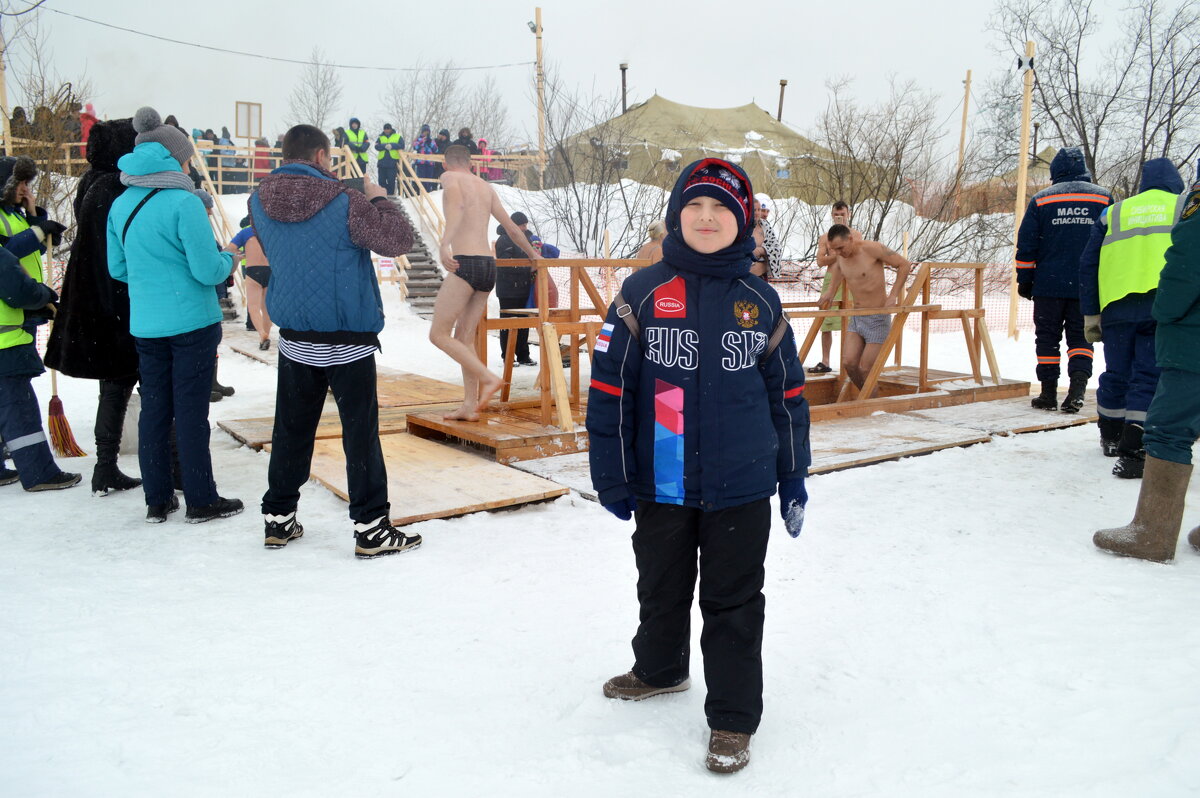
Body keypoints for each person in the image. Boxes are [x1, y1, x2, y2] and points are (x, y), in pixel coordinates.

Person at [587, 158, 810, 775]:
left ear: (741, 222)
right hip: (661, 477)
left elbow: (788, 397)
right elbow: (610, 389)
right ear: (675, 216)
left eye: (720, 209)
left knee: (734, 602)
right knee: (659, 584)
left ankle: (733, 719)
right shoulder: (641, 294)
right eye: (695, 207)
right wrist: (610, 469)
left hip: (741, 485)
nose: (706, 218)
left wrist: (793, 475)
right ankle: (660, 669)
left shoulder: (761, 301)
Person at [250, 124, 420, 558]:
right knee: (358, 435)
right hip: (348, 339)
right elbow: (399, 240)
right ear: (323, 157)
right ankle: (371, 529)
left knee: (290, 430)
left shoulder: (258, 201)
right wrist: (378, 196)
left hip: (296, 339)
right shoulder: (346, 201)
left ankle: (278, 519)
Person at [107, 106, 242, 524]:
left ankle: (158, 499)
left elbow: (118, 269)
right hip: (192, 325)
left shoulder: (121, 205)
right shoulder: (183, 203)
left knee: (155, 412)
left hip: (146, 325)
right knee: (190, 412)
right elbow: (207, 271)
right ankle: (201, 498)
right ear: (174, 157)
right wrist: (229, 258)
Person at [1093, 164, 1200, 563]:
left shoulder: (1190, 208)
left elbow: (1184, 270)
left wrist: (1164, 310)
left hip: (1186, 335)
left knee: (1170, 427)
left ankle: (1151, 533)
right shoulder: (1175, 204)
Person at [44, 118, 145, 496]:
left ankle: (105, 468)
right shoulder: (117, 187)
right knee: (142, 385)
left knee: (113, 387)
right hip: (118, 298)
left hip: (95, 298)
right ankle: (166, 466)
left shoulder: (90, 183)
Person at [1079, 157, 1186, 478]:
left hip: (1116, 306)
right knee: (1149, 375)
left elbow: (1088, 264)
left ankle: (1110, 434)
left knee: (1117, 372)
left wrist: (1090, 313)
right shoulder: (1184, 207)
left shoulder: (1113, 212)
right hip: (1164, 303)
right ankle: (1135, 446)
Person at [432, 144, 540, 421]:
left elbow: (456, 208)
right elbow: (512, 228)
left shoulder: (450, 178)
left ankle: (488, 378)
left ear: (446, 164)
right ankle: (470, 405)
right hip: (487, 267)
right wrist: (533, 254)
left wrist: (445, 245)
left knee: (438, 334)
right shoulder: (485, 186)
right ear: (471, 163)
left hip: (465, 262)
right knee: (464, 338)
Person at [0, 156, 80, 492]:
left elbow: (35, 244)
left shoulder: (13, 213)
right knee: (16, 402)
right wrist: (36, 232)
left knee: (6, 397)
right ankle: (38, 471)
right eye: (20, 183)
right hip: (12, 311)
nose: (25, 189)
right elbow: (7, 256)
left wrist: (34, 216)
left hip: (23, 309)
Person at [1015, 147, 1113, 411]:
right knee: (1080, 339)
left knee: (1047, 339)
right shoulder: (1104, 199)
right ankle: (1077, 391)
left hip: (1048, 285)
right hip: (1086, 286)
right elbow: (1112, 244)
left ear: (1055, 171)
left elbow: (1027, 244)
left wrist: (1024, 279)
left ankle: (1048, 394)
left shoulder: (1042, 199)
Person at [817, 227, 911, 392]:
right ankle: (867, 398)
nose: (838, 252)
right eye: (835, 249)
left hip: (877, 317)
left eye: (841, 248)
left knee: (867, 368)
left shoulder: (872, 249)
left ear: (850, 239)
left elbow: (904, 265)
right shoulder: (841, 256)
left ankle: (870, 403)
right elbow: (839, 268)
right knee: (849, 363)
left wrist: (893, 295)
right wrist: (831, 291)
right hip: (857, 316)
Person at [810, 201, 858, 374]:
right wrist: (838, 253)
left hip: (849, 280)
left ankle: (850, 360)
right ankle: (825, 360)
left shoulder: (855, 235)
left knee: (852, 321)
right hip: (831, 279)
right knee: (826, 320)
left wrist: (840, 252)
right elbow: (820, 260)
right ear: (832, 215)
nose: (839, 217)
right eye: (836, 215)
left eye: (842, 214)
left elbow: (855, 256)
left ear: (848, 214)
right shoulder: (825, 237)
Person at [495, 211, 539, 367]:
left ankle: (523, 355)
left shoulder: (527, 240)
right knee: (507, 324)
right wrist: (528, 269)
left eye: (526, 225)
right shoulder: (504, 240)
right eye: (522, 225)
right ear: (514, 225)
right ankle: (507, 356)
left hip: (523, 288)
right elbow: (505, 264)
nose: (525, 228)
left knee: (523, 323)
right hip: (508, 289)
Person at [227, 222, 273, 350]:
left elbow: (230, 248)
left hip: (253, 271)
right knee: (266, 308)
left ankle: (262, 335)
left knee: (253, 307)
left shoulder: (246, 232)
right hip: (269, 270)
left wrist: (241, 253)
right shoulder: (270, 229)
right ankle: (267, 334)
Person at [750, 194, 781, 279]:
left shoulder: (765, 226)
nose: (757, 212)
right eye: (754, 210)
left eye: (759, 210)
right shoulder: (740, 227)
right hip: (743, 278)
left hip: (762, 277)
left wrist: (762, 250)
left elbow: (776, 248)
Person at [374, 123, 403, 196]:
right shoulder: (380, 137)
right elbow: (376, 146)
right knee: (381, 180)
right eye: (385, 129)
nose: (386, 130)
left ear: (391, 129)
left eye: (388, 129)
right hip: (382, 162)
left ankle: (390, 195)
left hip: (392, 162)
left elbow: (402, 145)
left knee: (391, 180)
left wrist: (392, 146)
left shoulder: (398, 136)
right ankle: (383, 195)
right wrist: (384, 146)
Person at [412, 124, 438, 191]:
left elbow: (436, 150)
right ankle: (421, 192)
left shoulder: (431, 140)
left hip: (430, 163)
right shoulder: (418, 139)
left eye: (427, 131)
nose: (426, 133)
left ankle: (428, 191)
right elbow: (415, 147)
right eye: (425, 131)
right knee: (421, 178)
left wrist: (429, 143)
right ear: (422, 132)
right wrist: (422, 141)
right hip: (421, 162)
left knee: (429, 179)